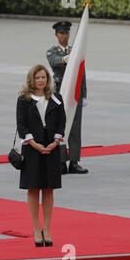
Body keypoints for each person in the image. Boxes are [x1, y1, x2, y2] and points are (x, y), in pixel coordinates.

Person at [16, 65, 66, 247]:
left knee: (49, 188)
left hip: (51, 145)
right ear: (32, 79)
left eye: (43, 77)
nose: (41, 80)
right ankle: (36, 229)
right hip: (32, 147)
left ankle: (47, 228)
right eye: (37, 77)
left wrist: (56, 141)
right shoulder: (24, 99)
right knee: (33, 187)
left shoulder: (56, 98)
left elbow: (62, 122)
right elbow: (21, 125)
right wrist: (33, 143)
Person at [46, 21, 88, 175]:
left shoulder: (75, 51)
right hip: (60, 93)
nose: (64, 35)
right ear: (56, 35)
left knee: (75, 128)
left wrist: (84, 95)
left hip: (75, 94)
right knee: (61, 128)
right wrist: (65, 59)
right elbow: (53, 61)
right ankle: (61, 161)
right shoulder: (53, 51)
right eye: (61, 33)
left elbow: (82, 74)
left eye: (66, 33)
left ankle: (75, 161)